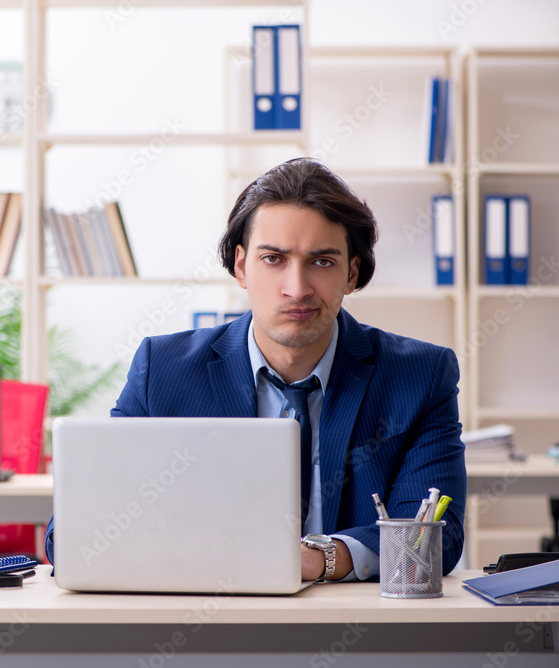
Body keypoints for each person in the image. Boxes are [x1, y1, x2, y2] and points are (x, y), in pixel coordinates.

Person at [44, 157, 466, 582]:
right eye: (273, 259)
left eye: (321, 262)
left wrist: (321, 558)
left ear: (352, 273)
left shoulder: (421, 376)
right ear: (241, 266)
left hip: (357, 624)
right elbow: (74, 531)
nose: (297, 288)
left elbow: (434, 542)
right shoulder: (164, 370)